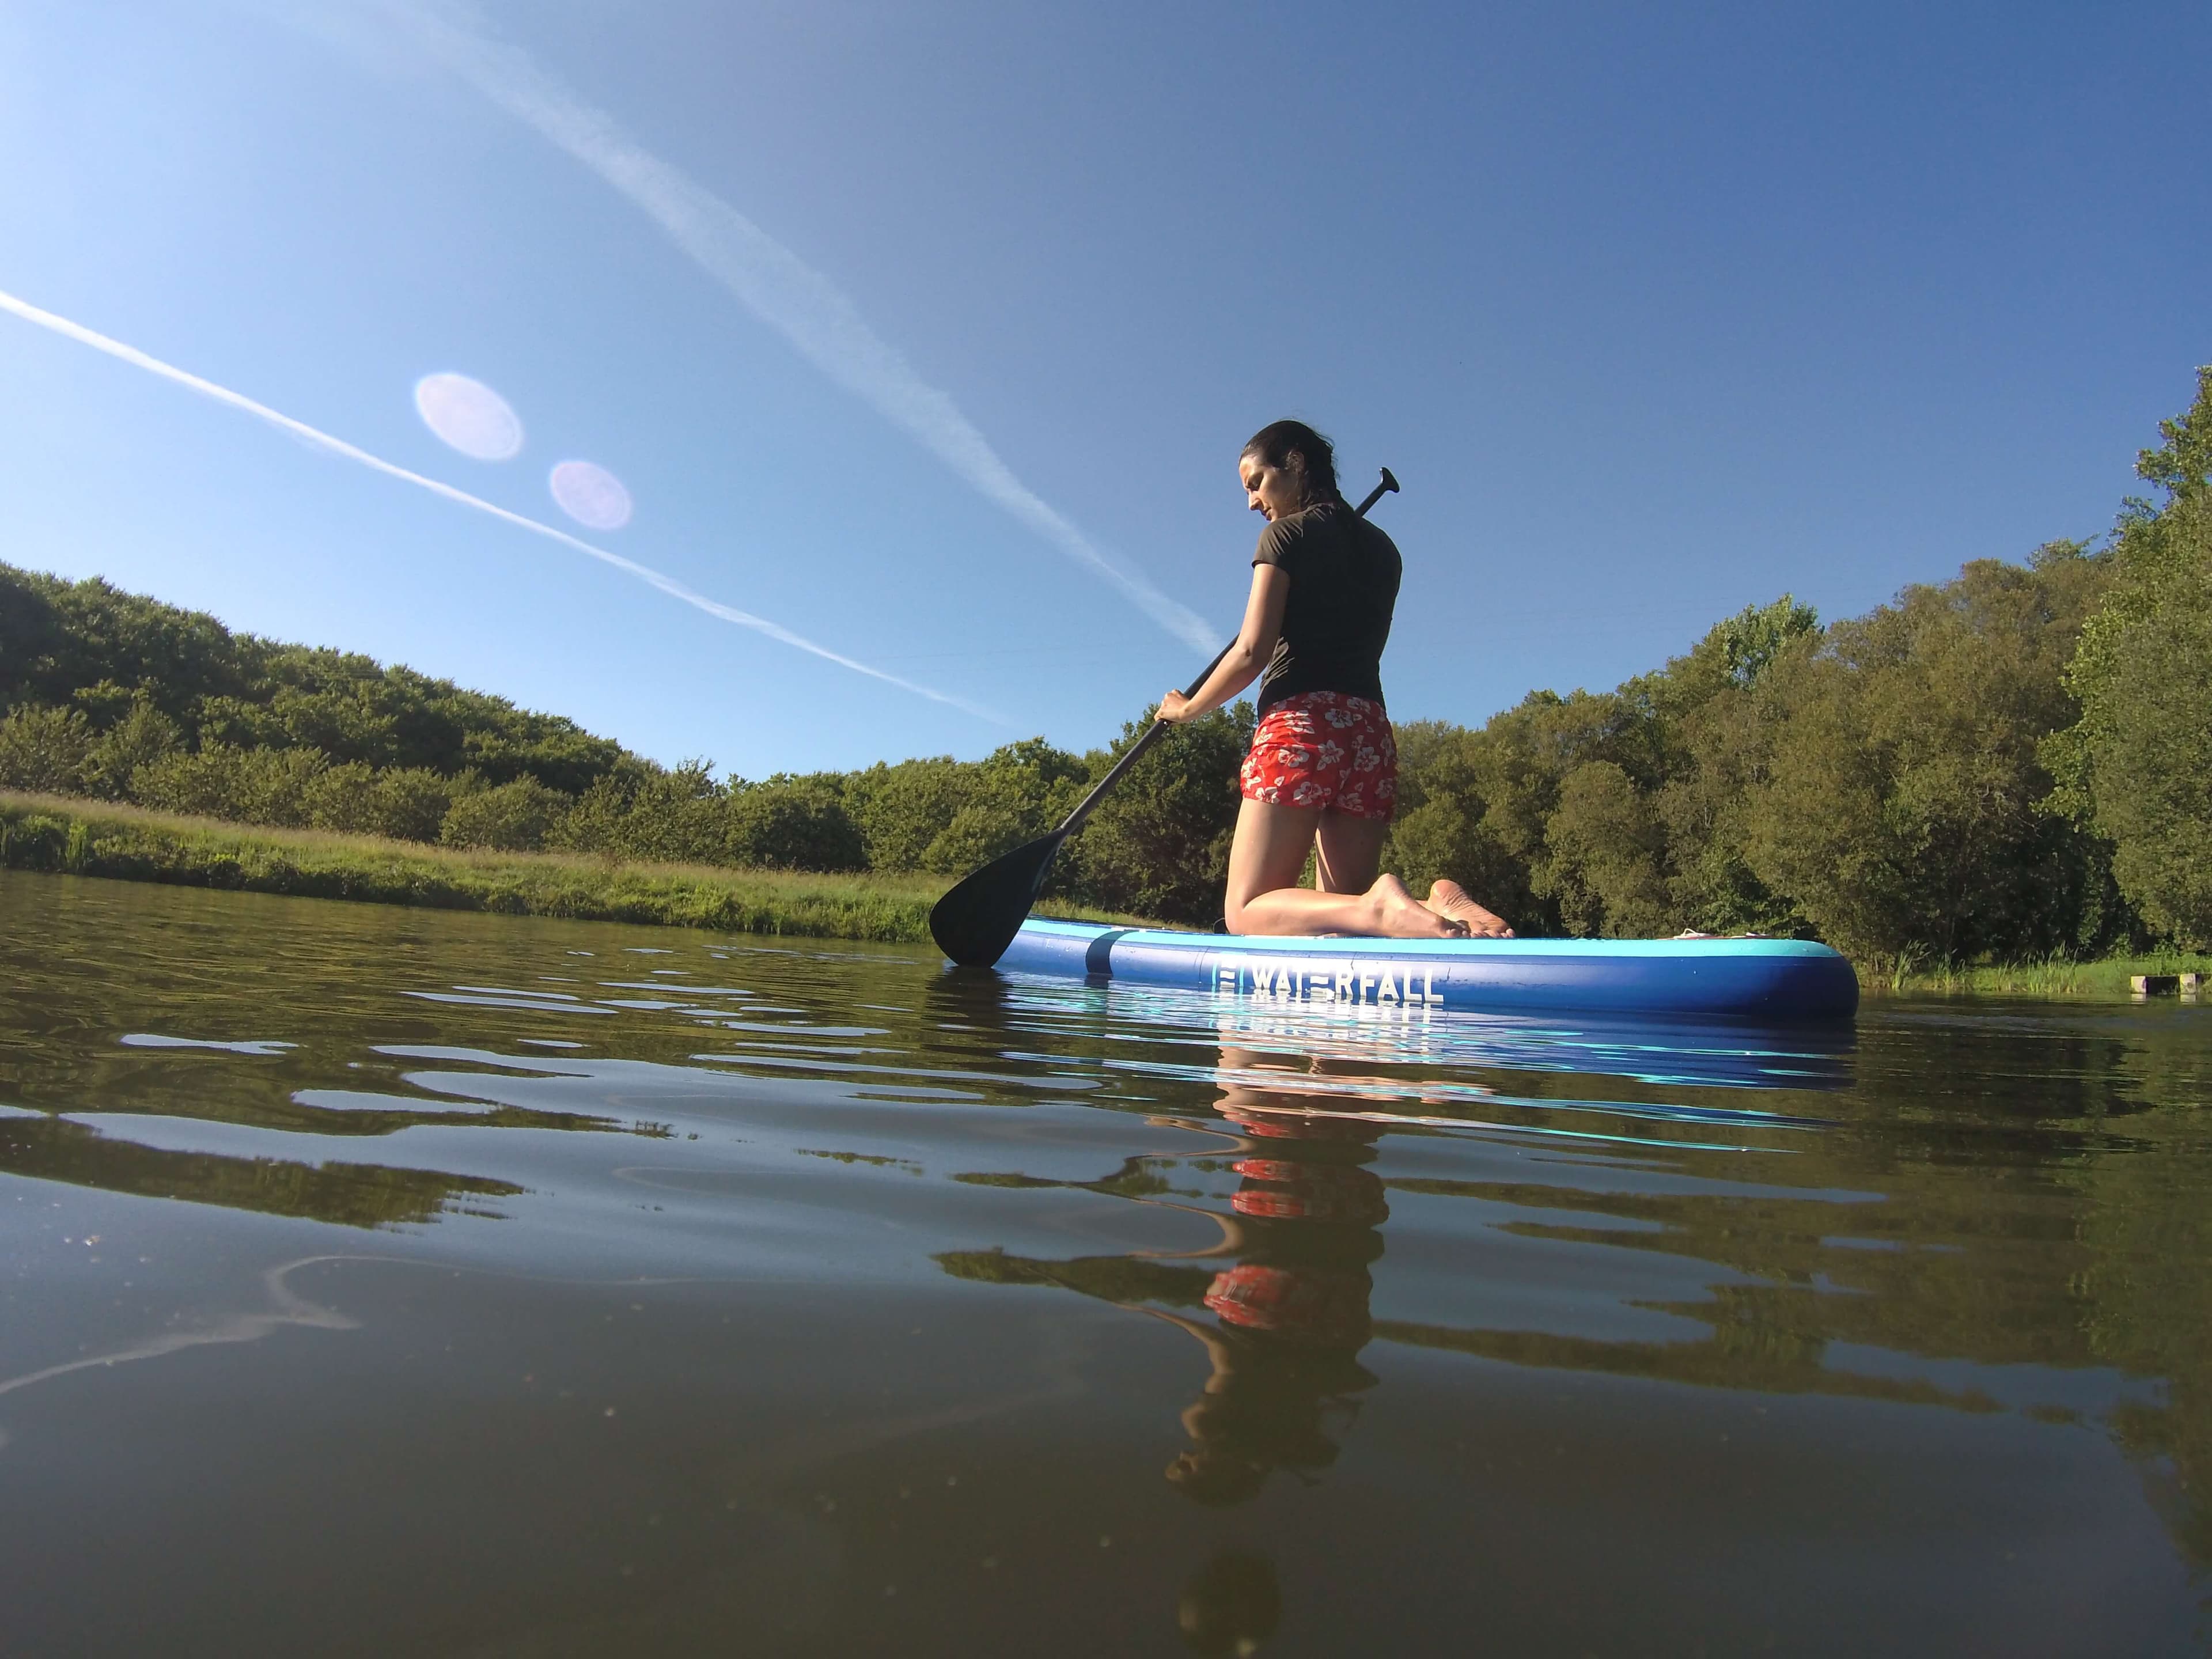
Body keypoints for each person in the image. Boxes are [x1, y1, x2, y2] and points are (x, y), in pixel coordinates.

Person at [1156, 420, 1513, 938]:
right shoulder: (1385, 550)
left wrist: (1185, 709)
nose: (1253, 501)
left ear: (1295, 464)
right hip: (1369, 735)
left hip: (1300, 728)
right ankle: (1441, 907)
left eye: (1256, 482)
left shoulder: (1284, 535)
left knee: (1248, 910)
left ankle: (1382, 906)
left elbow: (1252, 650)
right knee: (1336, 926)